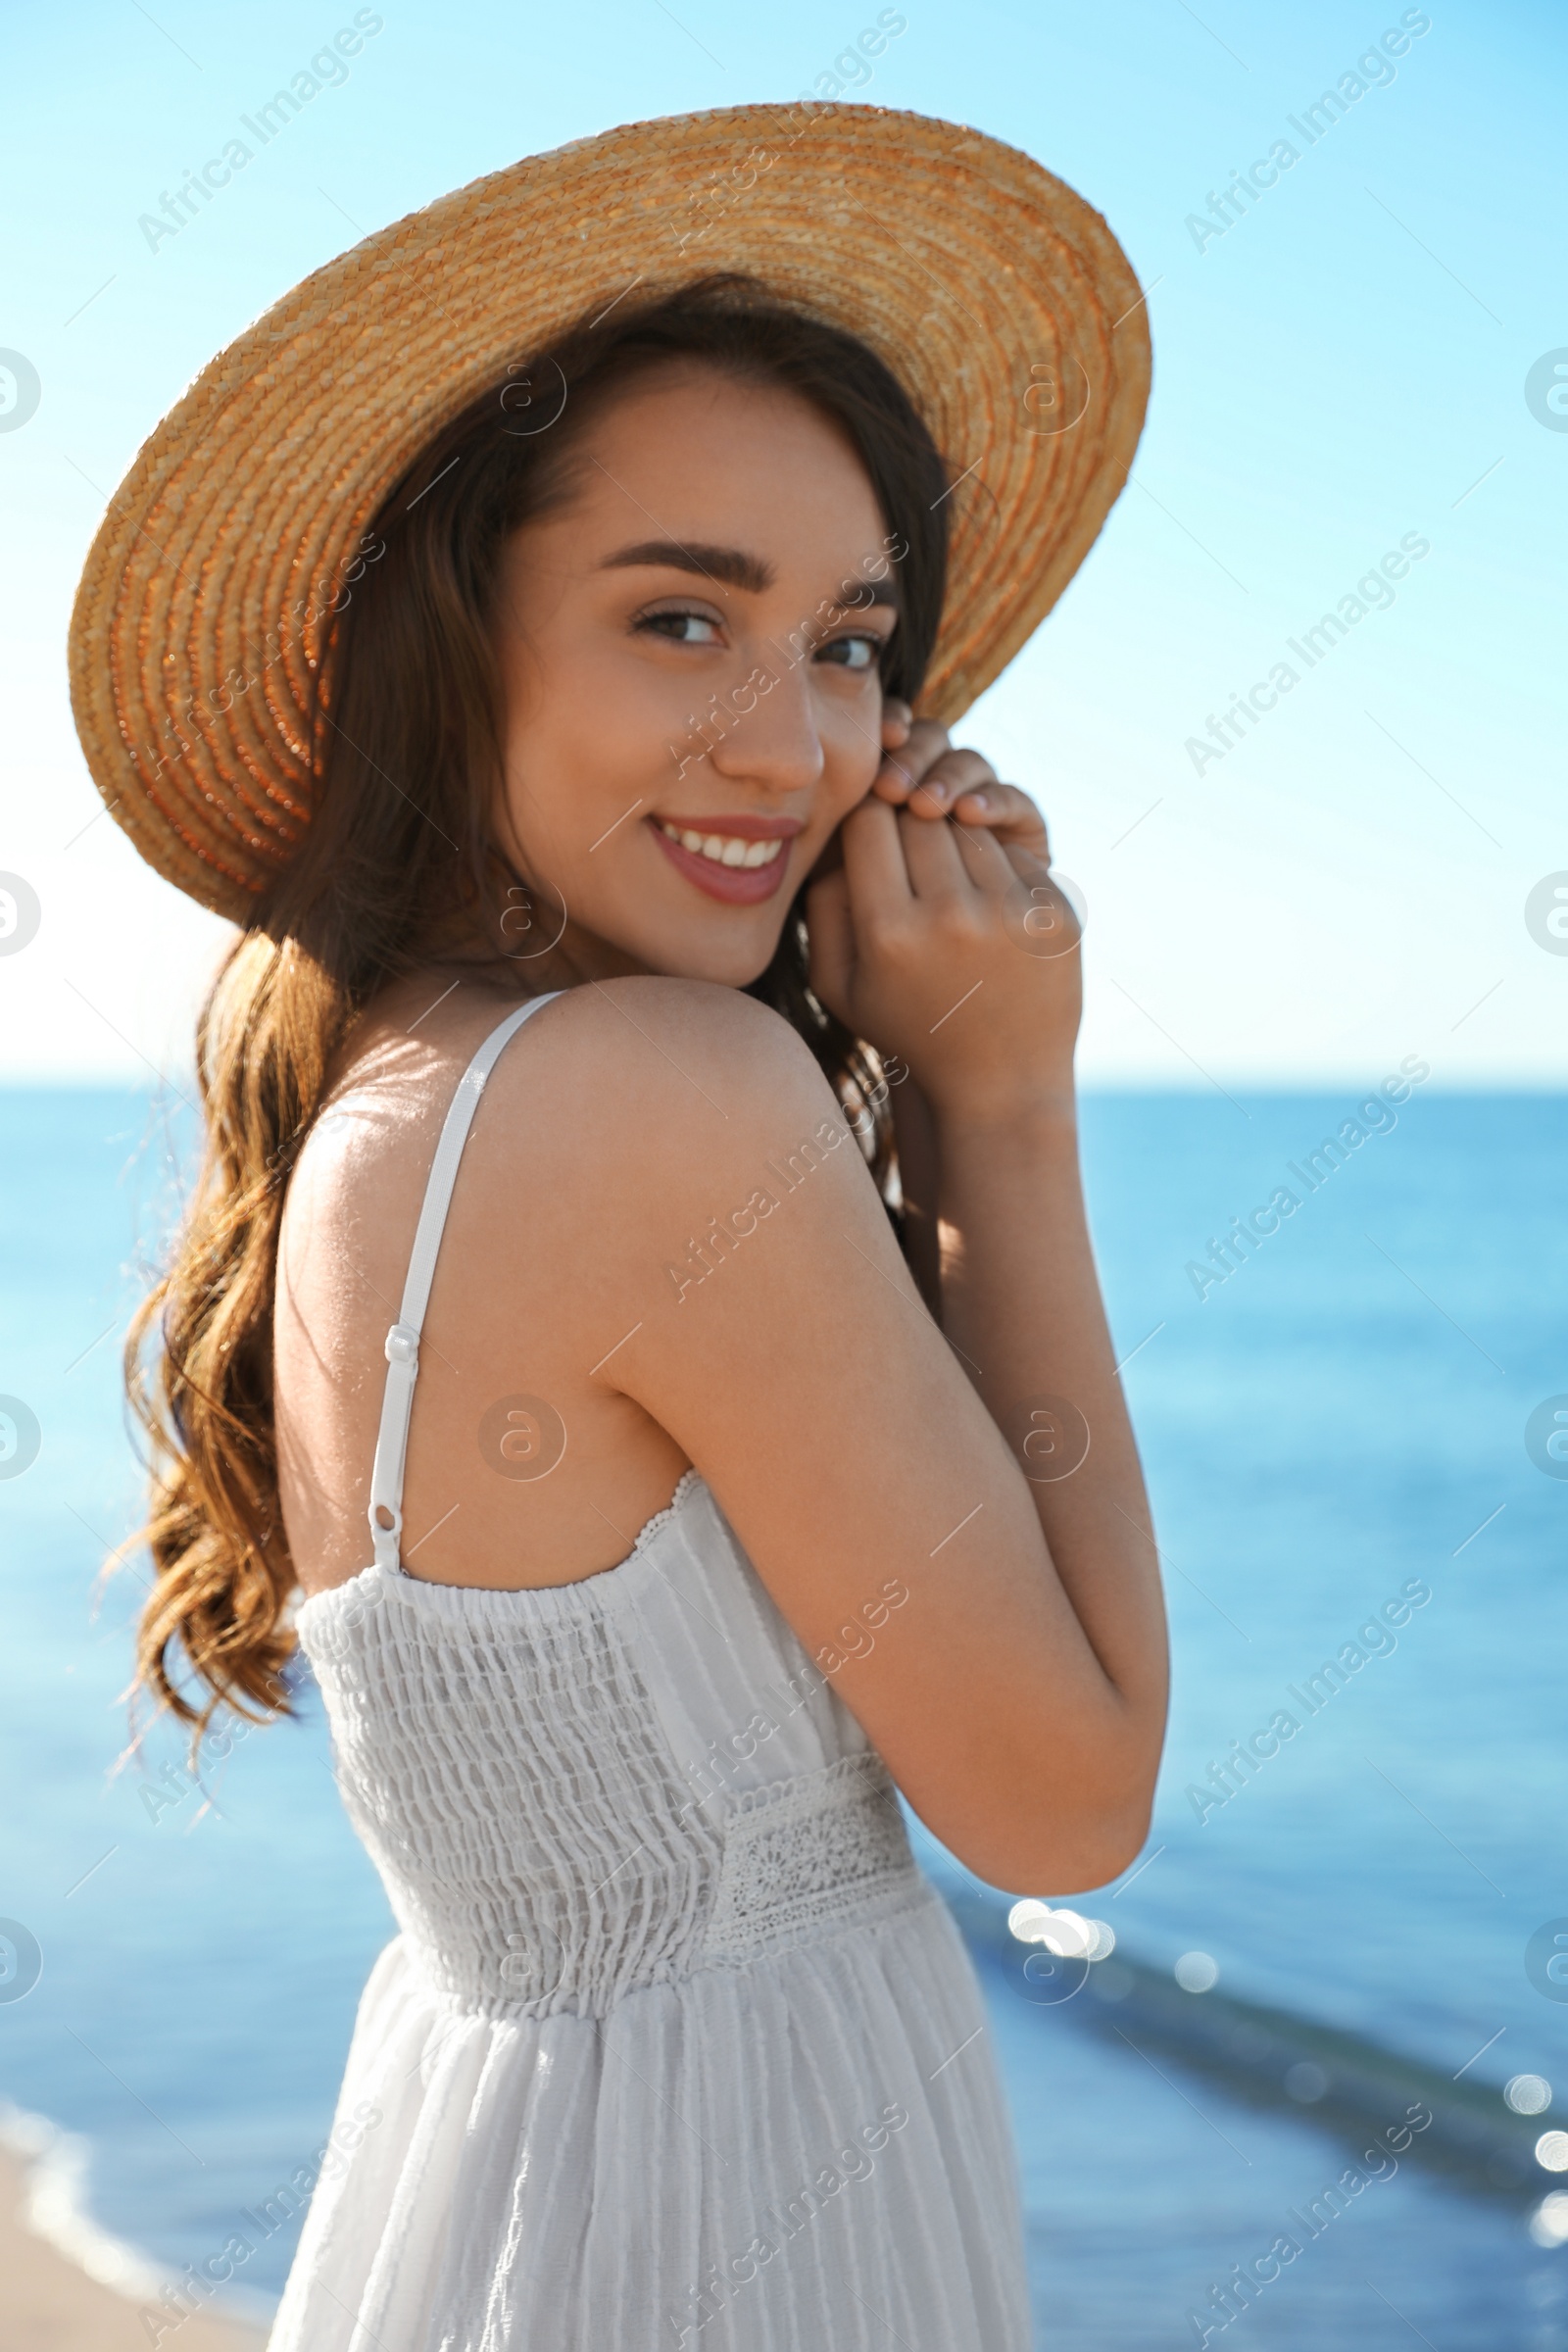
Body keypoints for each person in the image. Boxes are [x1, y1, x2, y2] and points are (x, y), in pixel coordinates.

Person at [70, 102, 1167, 2352]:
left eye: (848, 644)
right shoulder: (653, 1097)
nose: (791, 746)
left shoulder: (395, 1080)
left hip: (520, 2192)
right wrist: (997, 1105)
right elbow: (1066, 1804)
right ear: (450, 645)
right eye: (683, 617)